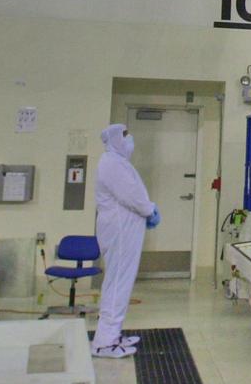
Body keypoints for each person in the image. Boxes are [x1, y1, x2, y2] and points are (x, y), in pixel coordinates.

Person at [91, 124, 159, 359]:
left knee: (119, 282)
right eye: (125, 136)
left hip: (123, 231)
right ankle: (105, 342)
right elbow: (132, 195)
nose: (130, 140)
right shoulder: (112, 163)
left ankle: (112, 334)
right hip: (120, 231)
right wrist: (149, 210)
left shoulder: (116, 162)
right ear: (115, 140)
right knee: (118, 283)